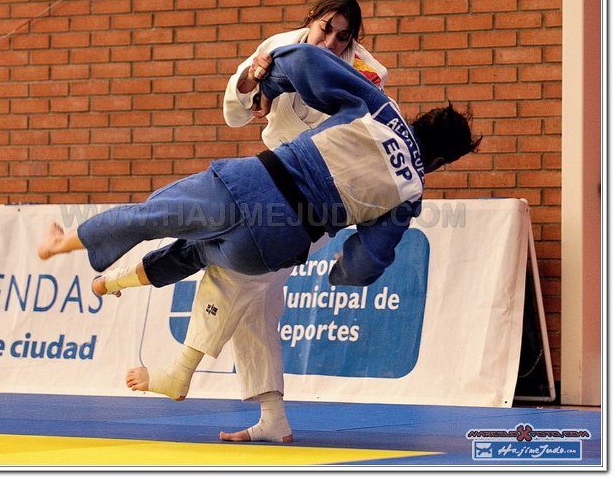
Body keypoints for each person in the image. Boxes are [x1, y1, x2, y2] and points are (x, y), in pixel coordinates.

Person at [38, 44, 481, 425]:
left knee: (152, 216)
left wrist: (270, 83)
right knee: (202, 258)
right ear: (443, 160)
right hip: (274, 246)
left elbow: (308, 61)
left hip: (252, 187)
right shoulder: (411, 193)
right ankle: (128, 303)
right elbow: (370, 259)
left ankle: (66, 243)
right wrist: (342, 273)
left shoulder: (382, 109)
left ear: (422, 120)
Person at [187, 0, 391, 444]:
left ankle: (181, 366)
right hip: (277, 175)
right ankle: (272, 417)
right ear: (312, 19)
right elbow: (238, 112)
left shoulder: (367, 72)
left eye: (344, 36)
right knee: (259, 303)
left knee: (245, 268)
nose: (333, 42)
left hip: (327, 188)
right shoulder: (278, 47)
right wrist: (252, 83)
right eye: (326, 28)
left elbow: (360, 131)